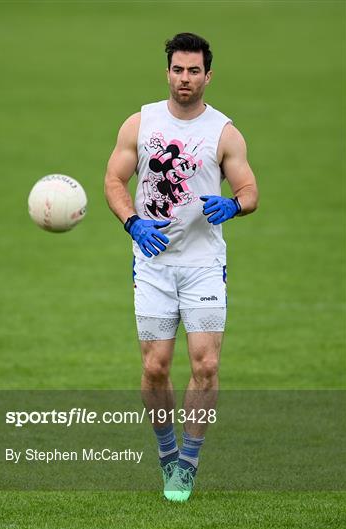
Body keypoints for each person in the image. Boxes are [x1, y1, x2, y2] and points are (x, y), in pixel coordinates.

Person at [104, 32, 258, 502]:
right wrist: (132, 223)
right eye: (178, 69)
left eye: (194, 71)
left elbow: (250, 189)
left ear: (208, 75)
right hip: (152, 264)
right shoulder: (141, 123)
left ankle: (188, 464)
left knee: (206, 365)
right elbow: (114, 178)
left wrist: (233, 207)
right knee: (155, 368)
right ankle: (167, 453)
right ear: (167, 71)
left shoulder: (223, 132)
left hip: (203, 264)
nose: (185, 78)